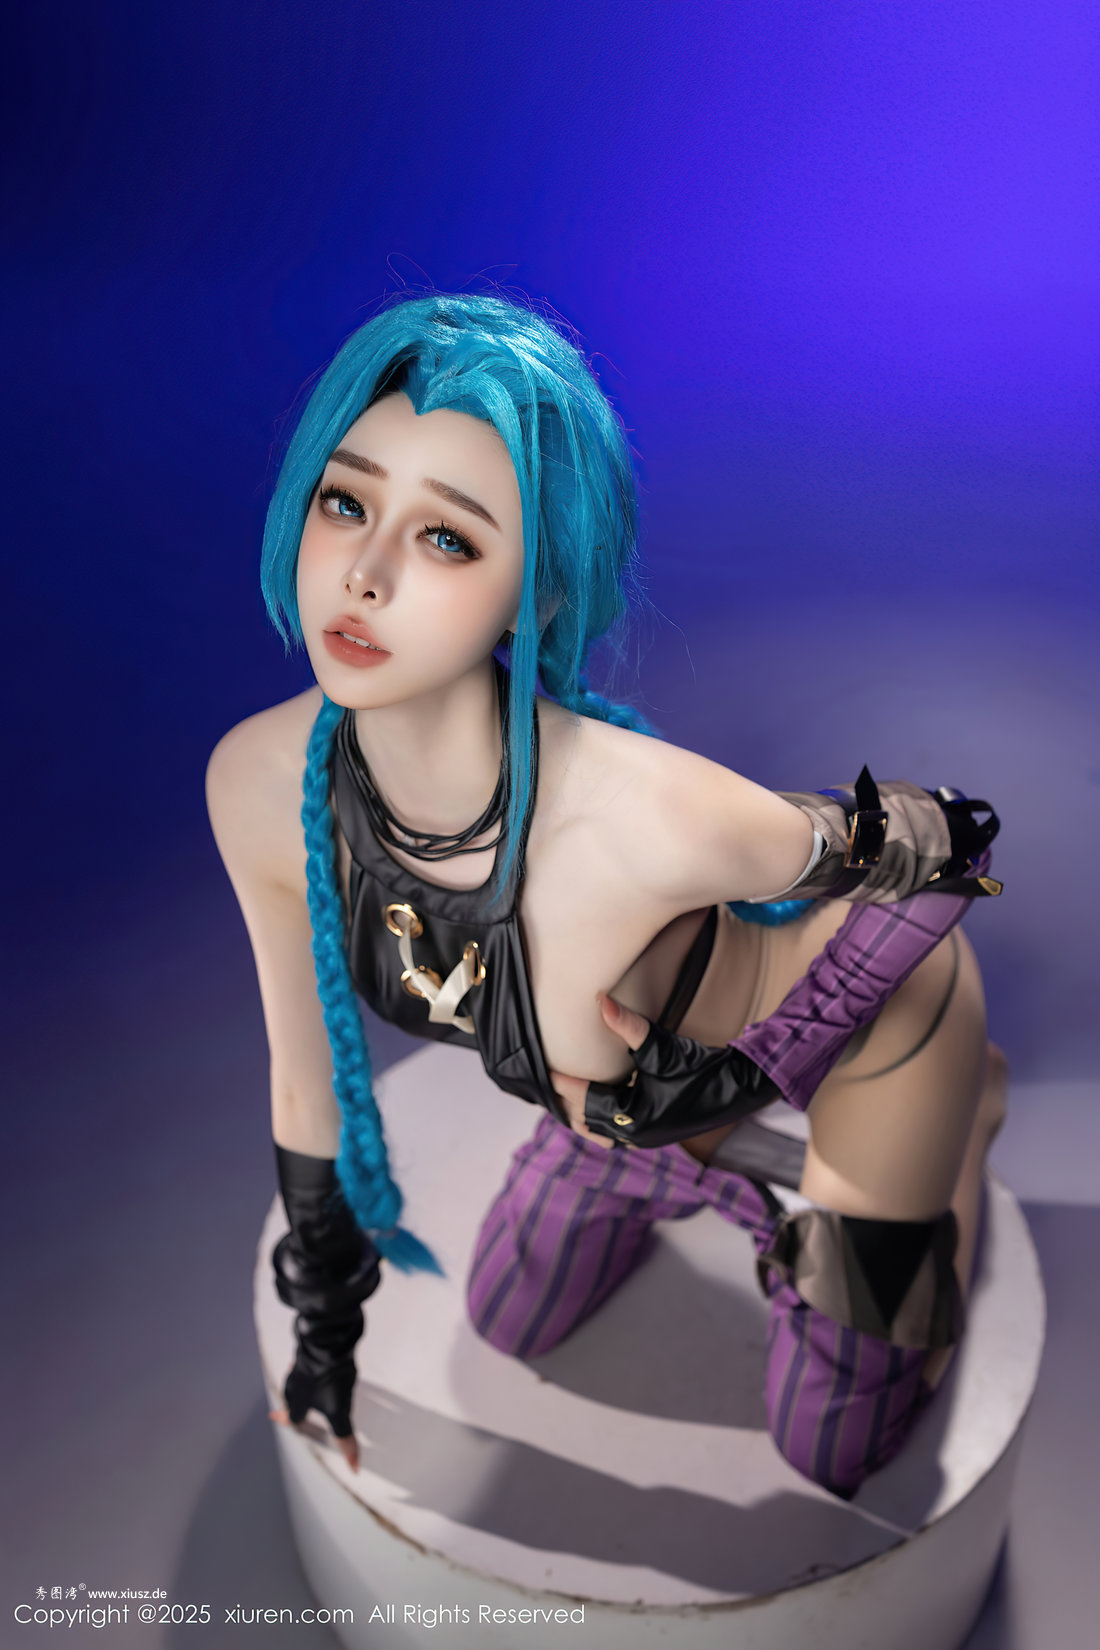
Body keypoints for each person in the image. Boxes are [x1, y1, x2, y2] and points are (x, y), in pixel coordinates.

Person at [205, 292, 1006, 1503]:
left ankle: (958, 1130)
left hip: (869, 1029)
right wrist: (325, 1340)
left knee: (826, 1444)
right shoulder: (262, 785)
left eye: (446, 539)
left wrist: (738, 1075)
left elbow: (931, 846)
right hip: (633, 1107)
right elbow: (301, 1083)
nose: (363, 576)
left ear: (536, 593)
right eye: (346, 503)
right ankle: (697, 1161)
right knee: (507, 1313)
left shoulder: (644, 816)